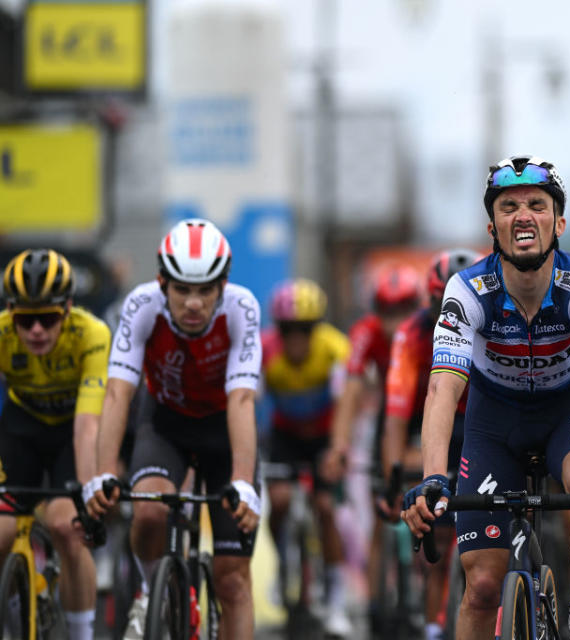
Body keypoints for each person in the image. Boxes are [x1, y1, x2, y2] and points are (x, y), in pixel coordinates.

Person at [401, 155, 570, 640]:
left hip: (566, 413)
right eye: (509, 206)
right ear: (492, 226)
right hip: (493, 423)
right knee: (481, 586)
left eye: (537, 205)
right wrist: (434, 476)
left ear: (559, 222)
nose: (523, 215)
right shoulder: (467, 289)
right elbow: (442, 389)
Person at [85, 218, 262, 639]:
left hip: (224, 431)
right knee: (147, 512)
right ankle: (151, 594)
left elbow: (241, 400)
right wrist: (105, 470)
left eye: (205, 290)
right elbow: (116, 394)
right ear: (163, 283)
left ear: (223, 284)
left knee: (232, 579)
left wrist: (242, 481)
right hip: (165, 424)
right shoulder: (141, 304)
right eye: (183, 289)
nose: (194, 303)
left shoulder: (242, 307)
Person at [0, 249, 109, 640]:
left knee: (66, 527)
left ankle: (81, 634)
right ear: (10, 311)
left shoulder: (92, 335)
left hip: (70, 433)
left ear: (68, 308)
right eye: (25, 320)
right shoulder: (0, 335)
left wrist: (87, 492)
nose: (36, 332)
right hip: (20, 431)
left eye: (48, 319)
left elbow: (87, 425)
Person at [380, 248, 478, 640]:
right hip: (437, 416)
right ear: (430, 302)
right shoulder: (410, 335)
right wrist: (391, 477)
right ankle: (436, 624)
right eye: (443, 304)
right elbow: (396, 413)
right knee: (438, 525)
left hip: (482, 420)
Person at [321, 262, 423, 635]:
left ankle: (432, 590)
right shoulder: (365, 333)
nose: (395, 323)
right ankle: (375, 603)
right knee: (384, 510)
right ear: (375, 312)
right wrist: (339, 446)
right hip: (391, 414)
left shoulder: (431, 329)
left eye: (404, 311)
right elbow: (349, 394)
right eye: (387, 312)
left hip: (428, 410)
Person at [261, 278, 352, 635]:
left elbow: (347, 401)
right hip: (285, 436)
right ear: (278, 330)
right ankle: (283, 567)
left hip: (324, 438)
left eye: (304, 330)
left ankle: (335, 597)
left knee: (326, 508)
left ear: (316, 329)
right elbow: (249, 400)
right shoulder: (266, 351)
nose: (296, 338)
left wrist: (339, 448)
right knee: (279, 501)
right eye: (288, 330)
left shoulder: (334, 348)